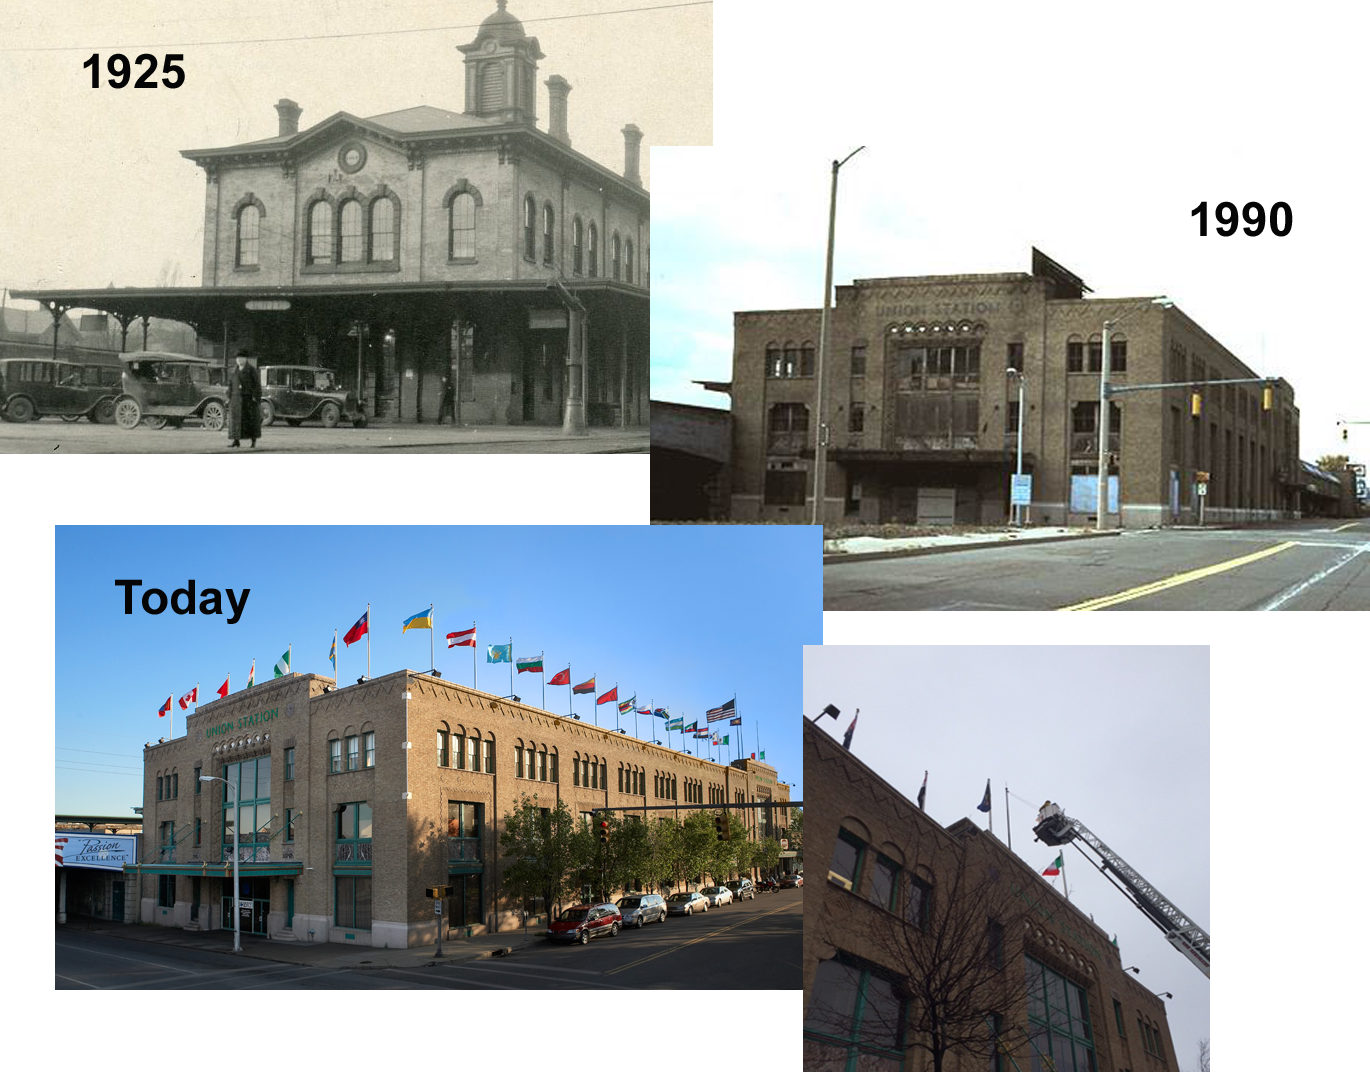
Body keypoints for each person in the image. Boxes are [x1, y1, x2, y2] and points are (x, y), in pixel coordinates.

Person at [227, 351, 263, 448]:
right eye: (237, 358)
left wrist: (256, 397)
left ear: (246, 359)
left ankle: (253, 441)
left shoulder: (251, 370)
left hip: (248, 400)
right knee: (235, 422)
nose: (238, 360)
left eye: (241, 358)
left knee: (250, 422)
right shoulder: (234, 370)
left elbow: (257, 385)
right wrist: (229, 396)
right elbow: (230, 384)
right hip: (236, 401)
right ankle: (236, 440)